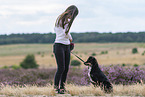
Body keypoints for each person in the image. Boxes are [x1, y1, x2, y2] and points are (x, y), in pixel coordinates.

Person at [53, 5, 79, 94]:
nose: (72, 17)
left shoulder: (66, 21)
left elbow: (67, 32)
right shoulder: (60, 19)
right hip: (59, 45)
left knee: (66, 68)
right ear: (70, 12)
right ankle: (56, 88)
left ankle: (62, 87)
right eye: (73, 15)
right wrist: (70, 39)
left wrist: (70, 41)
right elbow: (64, 33)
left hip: (66, 46)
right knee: (61, 68)